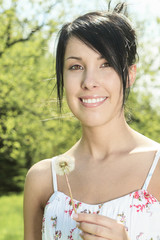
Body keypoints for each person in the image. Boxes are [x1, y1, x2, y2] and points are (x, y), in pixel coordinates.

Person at [23, 2, 160, 240]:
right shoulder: (42, 179)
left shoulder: (157, 168)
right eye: (76, 66)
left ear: (129, 75)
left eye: (105, 64)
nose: (89, 81)